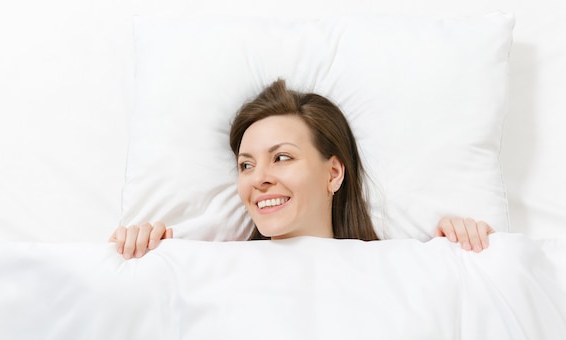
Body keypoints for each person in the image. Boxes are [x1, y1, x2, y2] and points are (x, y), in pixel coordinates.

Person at [110, 79, 495, 259]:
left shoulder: (395, 266)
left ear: (333, 174)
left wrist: (465, 245)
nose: (259, 178)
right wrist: (145, 252)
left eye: (281, 157)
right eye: (246, 165)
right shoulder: (214, 268)